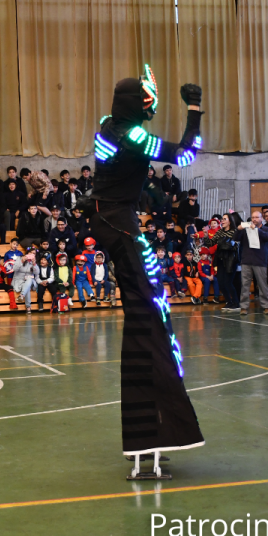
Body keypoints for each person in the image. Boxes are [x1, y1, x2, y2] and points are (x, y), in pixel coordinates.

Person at [84, 64, 205, 471]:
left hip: (112, 220)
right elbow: (185, 154)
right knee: (152, 320)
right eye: (147, 100)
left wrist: (148, 188)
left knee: (150, 318)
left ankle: (151, 433)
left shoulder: (108, 125)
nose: (151, 106)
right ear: (137, 104)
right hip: (119, 225)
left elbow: (118, 167)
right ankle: (153, 432)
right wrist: (195, 109)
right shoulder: (132, 134)